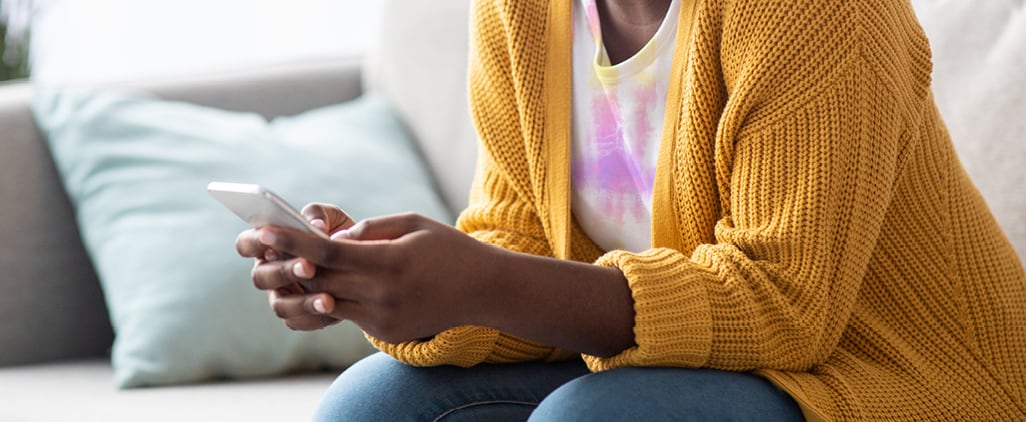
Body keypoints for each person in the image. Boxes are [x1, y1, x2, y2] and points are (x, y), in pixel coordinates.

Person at [235, 0, 1026, 420]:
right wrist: (397, 290)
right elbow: (521, 242)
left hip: (893, 376)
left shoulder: (816, 11)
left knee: (602, 420)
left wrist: (480, 283)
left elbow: (786, 307)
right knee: (372, 405)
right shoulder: (520, 10)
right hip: (687, 364)